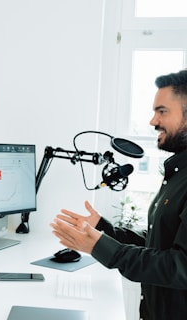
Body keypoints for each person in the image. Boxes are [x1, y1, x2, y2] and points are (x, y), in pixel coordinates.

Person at [50, 69, 187, 320]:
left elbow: (180, 267)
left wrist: (100, 247)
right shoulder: (177, 173)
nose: (153, 121)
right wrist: (102, 229)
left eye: (162, 111)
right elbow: (157, 240)